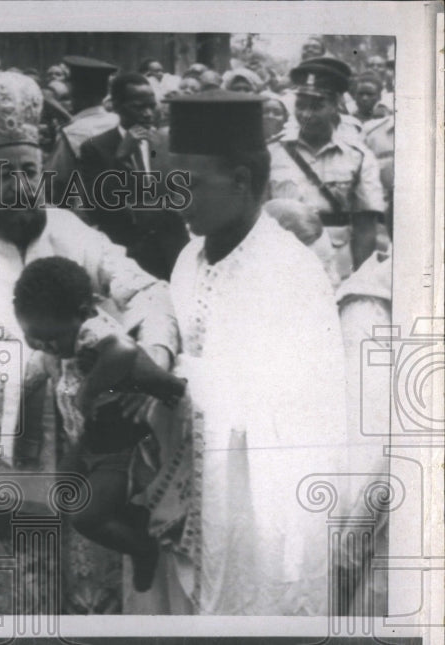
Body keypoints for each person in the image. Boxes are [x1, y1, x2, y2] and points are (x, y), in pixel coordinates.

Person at [0, 71, 179, 615]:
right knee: (18, 610)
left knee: (95, 602)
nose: (19, 187)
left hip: (90, 456)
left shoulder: (71, 231)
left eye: (27, 170)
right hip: (10, 468)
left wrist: (150, 358)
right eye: (2, 175)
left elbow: (148, 290)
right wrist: (53, 358)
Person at [161, 90, 349, 615]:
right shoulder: (188, 258)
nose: (178, 198)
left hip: (264, 508)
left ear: (242, 181)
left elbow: (293, 409)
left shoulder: (290, 271)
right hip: (191, 495)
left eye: (191, 184)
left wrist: (171, 377)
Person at [13, 256, 188, 593]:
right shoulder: (64, 332)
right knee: (63, 490)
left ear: (82, 313)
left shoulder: (95, 331)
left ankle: (142, 548)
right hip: (90, 437)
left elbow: (124, 350)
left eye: (53, 340)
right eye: (35, 339)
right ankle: (128, 515)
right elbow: (45, 358)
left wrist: (91, 391)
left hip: (120, 447)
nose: (46, 347)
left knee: (86, 518)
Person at [267, 57, 385, 282]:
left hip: (336, 270)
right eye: (301, 105)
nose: (305, 114)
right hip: (281, 266)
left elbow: (365, 229)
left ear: (336, 107)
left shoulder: (358, 157)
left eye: (317, 106)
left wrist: (358, 281)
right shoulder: (273, 152)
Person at [79, 72, 189, 281]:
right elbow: (97, 208)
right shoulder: (96, 148)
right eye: (139, 107)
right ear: (117, 106)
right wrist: (120, 159)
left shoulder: (164, 143)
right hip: (127, 256)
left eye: (151, 105)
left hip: (172, 253)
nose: (148, 114)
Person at [46, 56, 120, 205]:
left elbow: (53, 182)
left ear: (74, 93)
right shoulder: (118, 121)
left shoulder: (73, 132)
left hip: (85, 213)